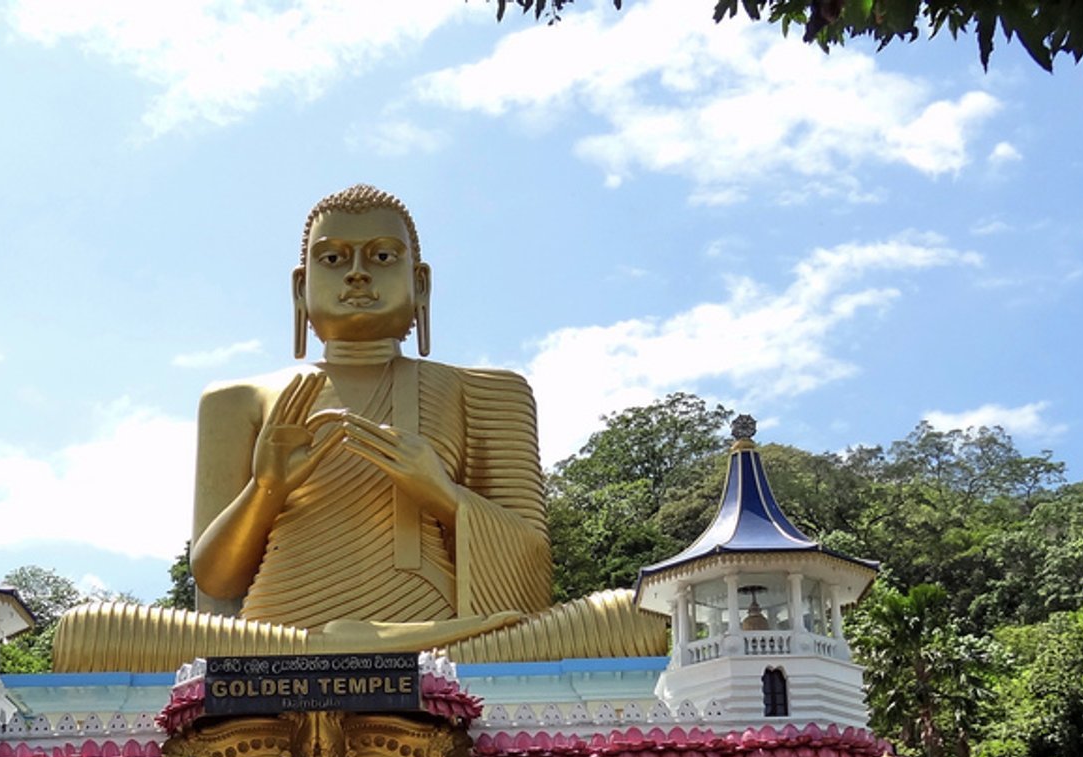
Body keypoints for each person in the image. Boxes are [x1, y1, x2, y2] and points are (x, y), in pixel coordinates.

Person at [52, 185, 669, 672]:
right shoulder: (237, 401)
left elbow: (530, 583)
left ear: (419, 283)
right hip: (275, 642)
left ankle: (343, 665)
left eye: (380, 256)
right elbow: (216, 586)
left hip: (441, 642)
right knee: (87, 631)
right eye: (332, 259)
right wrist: (265, 490)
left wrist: (442, 496)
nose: (356, 274)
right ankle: (328, 663)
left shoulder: (487, 391)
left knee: (635, 620)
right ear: (301, 289)